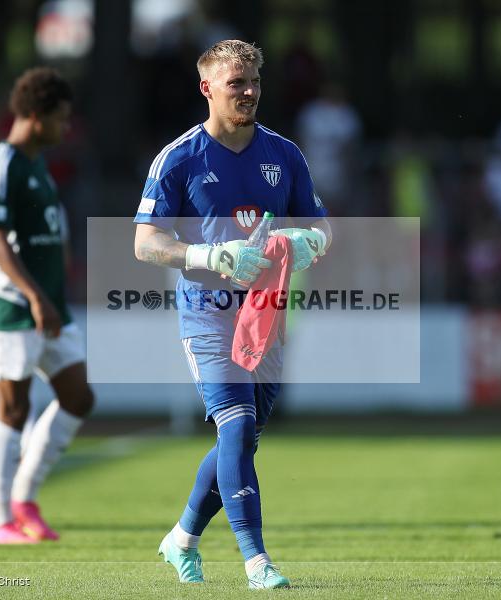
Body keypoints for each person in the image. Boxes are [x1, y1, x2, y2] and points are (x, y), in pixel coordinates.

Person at [133, 40, 331, 589]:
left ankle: (181, 538)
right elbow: (145, 242)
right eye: (235, 83)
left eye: (253, 83)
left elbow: (323, 229)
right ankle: (256, 561)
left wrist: (303, 241)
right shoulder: (179, 158)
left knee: (239, 440)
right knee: (237, 426)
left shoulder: (284, 155)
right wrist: (206, 254)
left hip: (265, 316)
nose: (247, 92)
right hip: (207, 314)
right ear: (207, 89)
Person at [0, 67, 94, 544]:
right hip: (8, 304)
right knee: (12, 408)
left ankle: (24, 496)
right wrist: (35, 296)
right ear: (37, 116)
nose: (66, 128)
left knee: (79, 396)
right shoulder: (0, 163)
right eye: (61, 119)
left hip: (48, 306)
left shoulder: (38, 164)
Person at [0, 193, 70, 440]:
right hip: (41, 301)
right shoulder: (50, 195)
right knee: (26, 384)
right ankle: (24, 455)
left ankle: (11, 459)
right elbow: (63, 259)